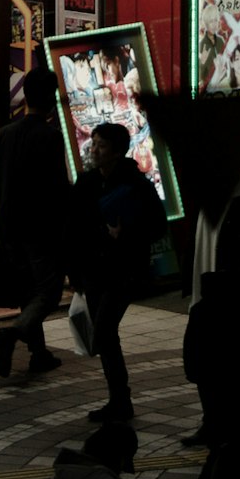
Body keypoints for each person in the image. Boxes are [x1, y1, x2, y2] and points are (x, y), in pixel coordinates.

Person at [65, 118, 163, 420]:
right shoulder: (87, 183)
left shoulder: (136, 185)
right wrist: (75, 273)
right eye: (93, 143)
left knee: (105, 331)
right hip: (94, 270)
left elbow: (157, 226)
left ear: (118, 150)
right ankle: (118, 400)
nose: (94, 150)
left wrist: (127, 234)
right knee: (105, 336)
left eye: (101, 145)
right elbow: (73, 227)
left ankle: (121, 400)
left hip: (123, 270)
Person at [0, 66, 74, 380]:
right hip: (41, 228)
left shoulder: (6, 134)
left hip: (10, 227)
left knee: (27, 292)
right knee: (48, 293)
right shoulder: (50, 136)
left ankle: (39, 353)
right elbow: (56, 186)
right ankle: (15, 333)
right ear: (51, 98)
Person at [179, 170, 240, 444]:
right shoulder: (210, 201)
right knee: (208, 361)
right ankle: (214, 421)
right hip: (208, 297)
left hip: (235, 299)